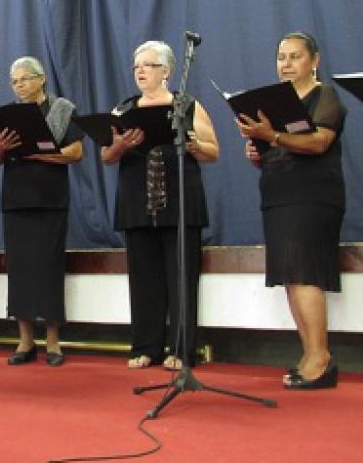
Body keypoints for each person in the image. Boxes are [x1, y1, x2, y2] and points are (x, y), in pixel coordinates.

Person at [101, 41, 219, 370]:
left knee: (182, 277)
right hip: (137, 202)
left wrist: (193, 144)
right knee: (144, 280)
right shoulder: (123, 109)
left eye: (148, 65)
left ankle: (181, 349)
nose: (140, 71)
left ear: (166, 71)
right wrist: (121, 145)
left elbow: (213, 150)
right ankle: (146, 347)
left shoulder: (186, 105)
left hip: (179, 200)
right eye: (136, 66)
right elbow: (106, 156)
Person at [237, 31, 345, 390]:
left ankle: (321, 357)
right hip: (278, 196)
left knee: (304, 273)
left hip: (312, 197)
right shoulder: (273, 103)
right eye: (281, 57)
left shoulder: (324, 95)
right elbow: (276, 147)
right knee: (290, 276)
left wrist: (272, 137)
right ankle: (310, 354)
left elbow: (319, 142)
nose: (286, 64)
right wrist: (259, 151)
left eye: (295, 56)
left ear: (314, 61)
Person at [0, 56, 84, 367]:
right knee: (20, 271)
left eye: (25, 79)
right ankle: (25, 341)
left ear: (41, 79)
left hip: (50, 200)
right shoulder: (6, 116)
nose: (19, 86)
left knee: (49, 269)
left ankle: (53, 342)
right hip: (16, 201)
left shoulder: (62, 109)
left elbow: (76, 152)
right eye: (14, 81)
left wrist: (38, 155)